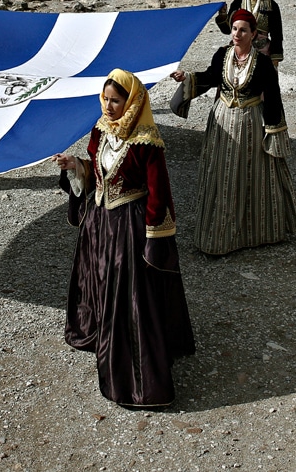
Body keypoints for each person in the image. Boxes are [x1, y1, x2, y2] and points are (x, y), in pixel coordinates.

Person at [53, 70, 195, 407]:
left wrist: (154, 239)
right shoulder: (99, 132)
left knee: (131, 299)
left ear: (131, 101)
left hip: (128, 228)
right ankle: (102, 336)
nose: (108, 105)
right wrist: (75, 166)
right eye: (105, 99)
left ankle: (137, 375)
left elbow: (159, 194)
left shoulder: (147, 142)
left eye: (115, 100)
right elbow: (95, 173)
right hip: (100, 225)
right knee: (99, 284)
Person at [170, 9, 296, 255]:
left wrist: (273, 131)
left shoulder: (262, 63)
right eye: (234, 29)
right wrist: (186, 77)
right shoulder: (222, 55)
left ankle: (256, 232)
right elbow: (209, 78)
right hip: (222, 120)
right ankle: (218, 234)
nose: (237, 34)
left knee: (251, 175)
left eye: (242, 30)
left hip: (250, 122)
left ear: (253, 35)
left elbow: (273, 97)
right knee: (222, 174)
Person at [213, 0, 285, 65]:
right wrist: (223, 15)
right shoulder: (238, 2)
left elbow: (277, 35)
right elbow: (227, 30)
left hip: (262, 51)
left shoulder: (271, 6)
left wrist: (275, 58)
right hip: (239, 50)